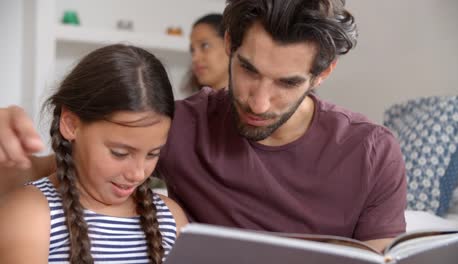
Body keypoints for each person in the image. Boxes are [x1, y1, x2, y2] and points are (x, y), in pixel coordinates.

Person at [0, 0, 406, 253]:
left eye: (287, 83)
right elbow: (49, 172)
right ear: (230, 43)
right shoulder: (181, 126)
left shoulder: (372, 152)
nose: (259, 102)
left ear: (323, 73)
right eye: (248, 70)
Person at [0, 44, 188, 263]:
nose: (137, 174)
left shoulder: (170, 218)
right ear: (71, 124)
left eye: (152, 154)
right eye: (119, 153)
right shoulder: (31, 214)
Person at [184, 13, 229, 94]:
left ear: (229, 44)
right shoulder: (190, 105)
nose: (195, 58)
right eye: (192, 50)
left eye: (205, 45)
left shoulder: (254, 103)